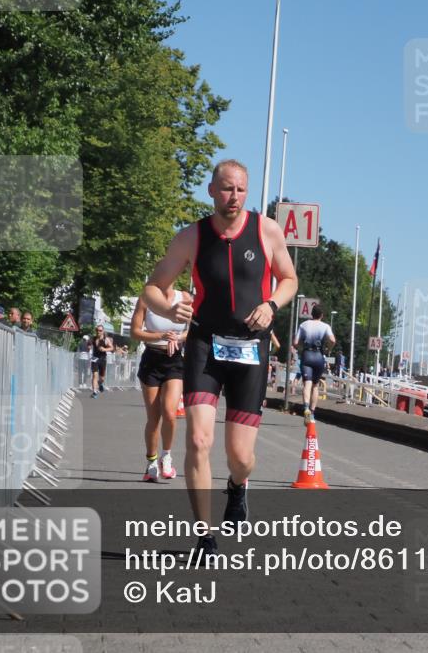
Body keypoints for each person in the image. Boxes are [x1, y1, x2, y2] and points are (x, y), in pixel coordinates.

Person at [142, 159, 297, 559]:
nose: (234, 197)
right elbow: (152, 289)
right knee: (197, 439)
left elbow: (290, 279)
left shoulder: (266, 230)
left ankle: (237, 486)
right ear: (211, 190)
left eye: (241, 190)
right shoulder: (191, 237)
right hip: (205, 346)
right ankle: (204, 537)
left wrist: (271, 305)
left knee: (241, 457)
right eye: (227, 189)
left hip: (251, 350)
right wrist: (170, 306)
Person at [130, 289, 189, 482]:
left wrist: (179, 338)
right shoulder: (146, 300)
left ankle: (167, 456)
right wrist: (160, 336)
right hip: (152, 360)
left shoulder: (186, 299)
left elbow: (197, 329)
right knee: (154, 418)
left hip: (174, 361)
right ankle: (151, 463)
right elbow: (135, 331)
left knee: (170, 413)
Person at [294, 304, 336, 424]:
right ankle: (312, 413)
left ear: (311, 314)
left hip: (307, 355)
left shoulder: (303, 325)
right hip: (319, 356)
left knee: (307, 384)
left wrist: (302, 348)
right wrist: (328, 349)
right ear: (322, 315)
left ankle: (306, 408)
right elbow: (333, 340)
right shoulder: (325, 326)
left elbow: (295, 342)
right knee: (315, 386)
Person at [90, 325, 114, 398]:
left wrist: (104, 349)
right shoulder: (93, 338)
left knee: (102, 378)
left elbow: (112, 348)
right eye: (97, 330)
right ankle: (94, 392)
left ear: (103, 331)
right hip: (94, 359)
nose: (98, 332)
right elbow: (89, 344)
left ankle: (100, 384)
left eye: (100, 330)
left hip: (102, 359)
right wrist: (88, 346)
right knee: (94, 375)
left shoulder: (106, 339)